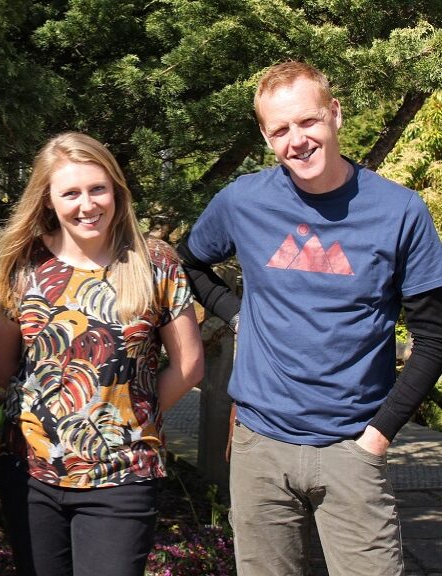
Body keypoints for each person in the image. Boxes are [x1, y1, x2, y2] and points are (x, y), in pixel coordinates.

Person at [178, 61, 442, 575]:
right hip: (259, 448)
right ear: (265, 136)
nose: (296, 140)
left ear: (335, 114)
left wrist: (378, 437)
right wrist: (237, 314)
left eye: (308, 122)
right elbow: (189, 262)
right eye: (280, 130)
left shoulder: (401, 212)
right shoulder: (242, 202)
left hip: (353, 448)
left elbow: (434, 338)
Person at [0, 132, 204, 576]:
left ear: (116, 190)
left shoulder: (153, 261)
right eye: (70, 193)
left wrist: (126, 415)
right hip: (30, 474)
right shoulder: (20, 267)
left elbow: (188, 365)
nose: (87, 205)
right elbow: (3, 366)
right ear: (48, 200)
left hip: (122, 476)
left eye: (97, 189)